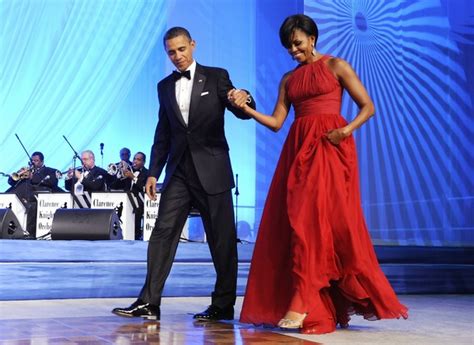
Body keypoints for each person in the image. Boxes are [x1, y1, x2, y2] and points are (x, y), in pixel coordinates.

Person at [229, 14, 408, 334]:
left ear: (312, 38)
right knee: (302, 221)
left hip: (332, 147)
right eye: (288, 47)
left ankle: (305, 298)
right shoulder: (288, 79)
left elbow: (368, 106)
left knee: (322, 221)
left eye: (297, 43)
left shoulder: (336, 66)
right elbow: (276, 122)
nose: (294, 50)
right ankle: (311, 300)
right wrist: (247, 110)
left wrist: (345, 130)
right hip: (299, 150)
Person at [112, 26, 255, 321]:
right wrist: (153, 172)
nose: (177, 56)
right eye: (171, 52)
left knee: (221, 239)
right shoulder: (164, 86)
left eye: (181, 49)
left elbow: (239, 107)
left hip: (212, 169)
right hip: (178, 173)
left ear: (192, 45)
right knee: (162, 233)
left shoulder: (216, 76)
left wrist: (246, 98)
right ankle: (149, 302)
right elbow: (163, 132)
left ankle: (223, 304)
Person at [6, 151, 62, 237]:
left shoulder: (49, 171)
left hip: (35, 197)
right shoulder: (26, 170)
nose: (33, 162)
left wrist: (33, 177)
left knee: (32, 206)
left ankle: (29, 232)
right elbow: (11, 182)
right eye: (32, 161)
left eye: (36, 161)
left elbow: (53, 182)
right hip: (19, 196)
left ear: (42, 161)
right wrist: (18, 174)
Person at [109, 152, 149, 239]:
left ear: (144, 162)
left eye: (138, 160)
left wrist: (133, 177)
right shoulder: (129, 171)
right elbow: (113, 186)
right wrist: (119, 175)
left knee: (136, 212)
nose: (135, 161)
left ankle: (136, 236)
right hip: (126, 202)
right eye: (134, 159)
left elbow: (144, 188)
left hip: (140, 203)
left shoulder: (147, 173)